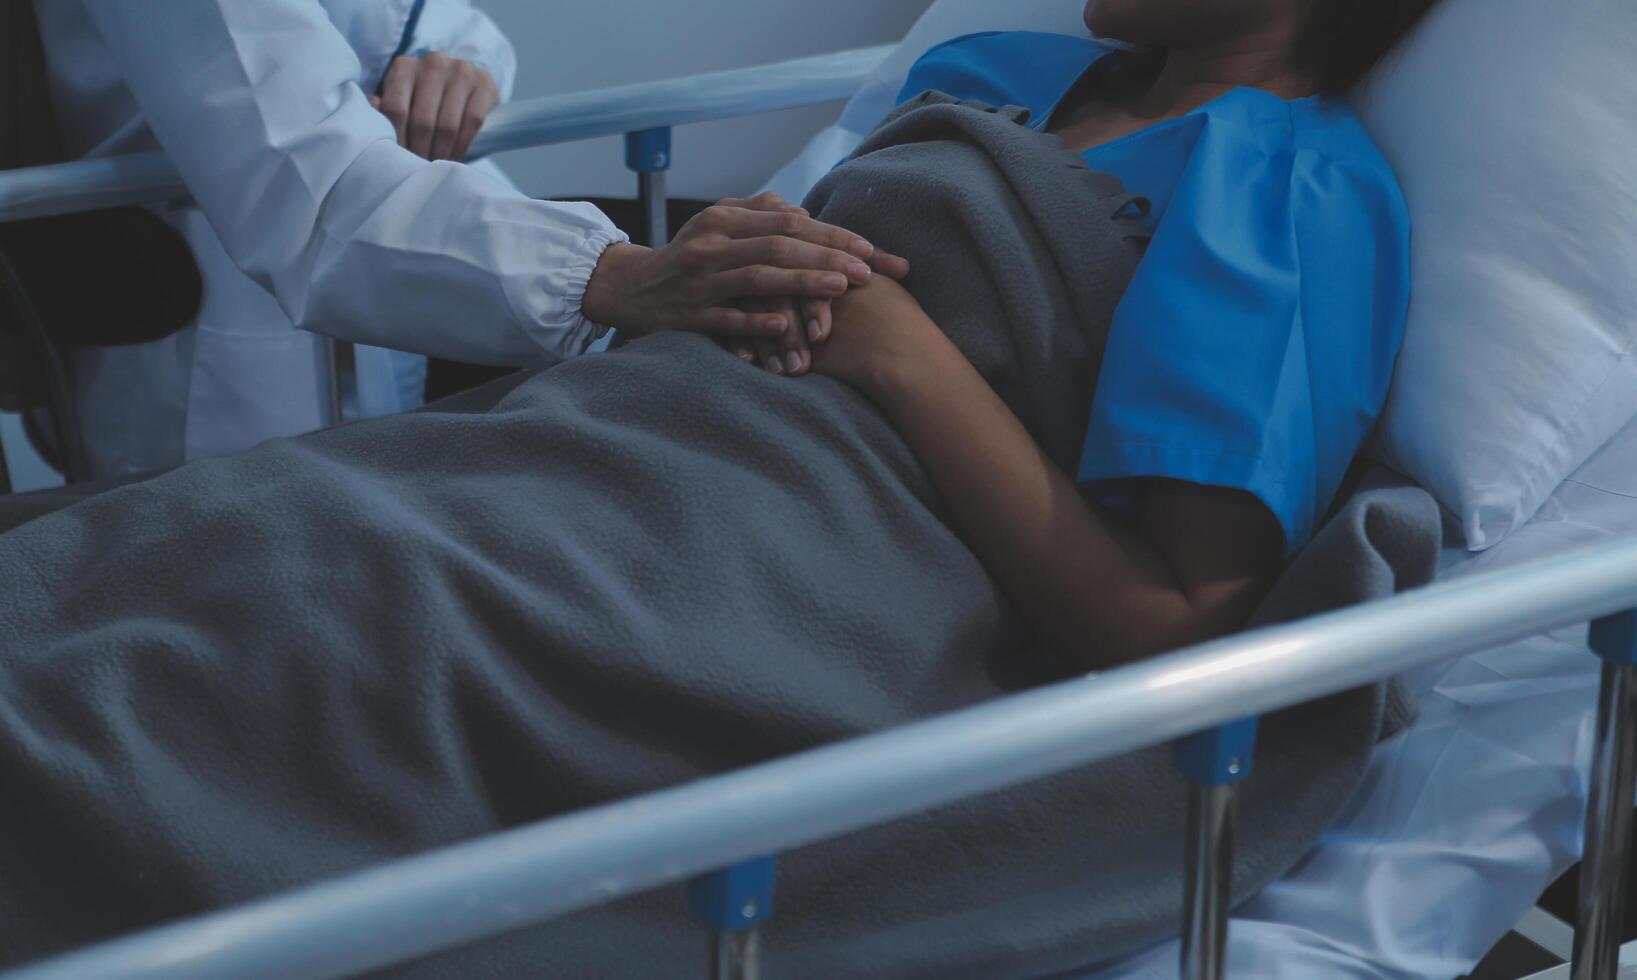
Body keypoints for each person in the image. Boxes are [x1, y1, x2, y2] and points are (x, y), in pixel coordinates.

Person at [31, 0, 903, 476]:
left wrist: (459, 58)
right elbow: (313, 189)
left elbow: (391, 19)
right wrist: (621, 273)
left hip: (400, 308)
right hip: (231, 360)